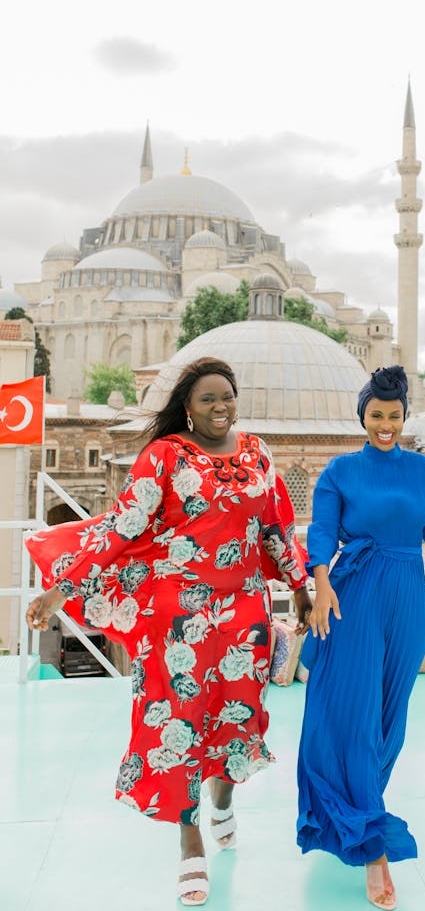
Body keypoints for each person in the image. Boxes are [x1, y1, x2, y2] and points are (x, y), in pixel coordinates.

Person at [25, 357, 311, 906]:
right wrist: (64, 587)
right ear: (187, 406)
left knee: (236, 715)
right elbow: (122, 526)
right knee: (177, 722)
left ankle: (222, 800)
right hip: (176, 616)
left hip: (243, 614)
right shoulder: (164, 456)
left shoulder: (257, 453)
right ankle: (190, 840)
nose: (220, 406)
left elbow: (273, 526)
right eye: (208, 399)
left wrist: (298, 586)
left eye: (227, 395)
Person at [296, 365, 425, 910]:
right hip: (354, 597)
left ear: (404, 418)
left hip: (407, 602)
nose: (385, 425)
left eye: (394, 416)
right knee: (355, 721)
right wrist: (320, 586)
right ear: (362, 417)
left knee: (390, 723)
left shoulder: (420, 472)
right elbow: (321, 533)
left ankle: (359, 812)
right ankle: (373, 849)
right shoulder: (340, 470)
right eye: (376, 416)